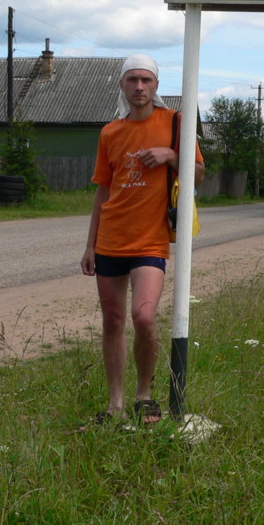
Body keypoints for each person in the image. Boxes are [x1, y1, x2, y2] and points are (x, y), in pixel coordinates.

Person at [80, 54, 204, 426]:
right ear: (122, 85)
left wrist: (171, 155)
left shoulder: (175, 123)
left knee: (144, 316)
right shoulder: (110, 132)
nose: (139, 87)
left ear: (156, 86)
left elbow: (199, 173)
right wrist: (90, 245)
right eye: (132, 79)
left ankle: (144, 396)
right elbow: (103, 192)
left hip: (150, 242)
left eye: (146, 80)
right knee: (113, 321)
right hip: (110, 241)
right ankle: (115, 403)